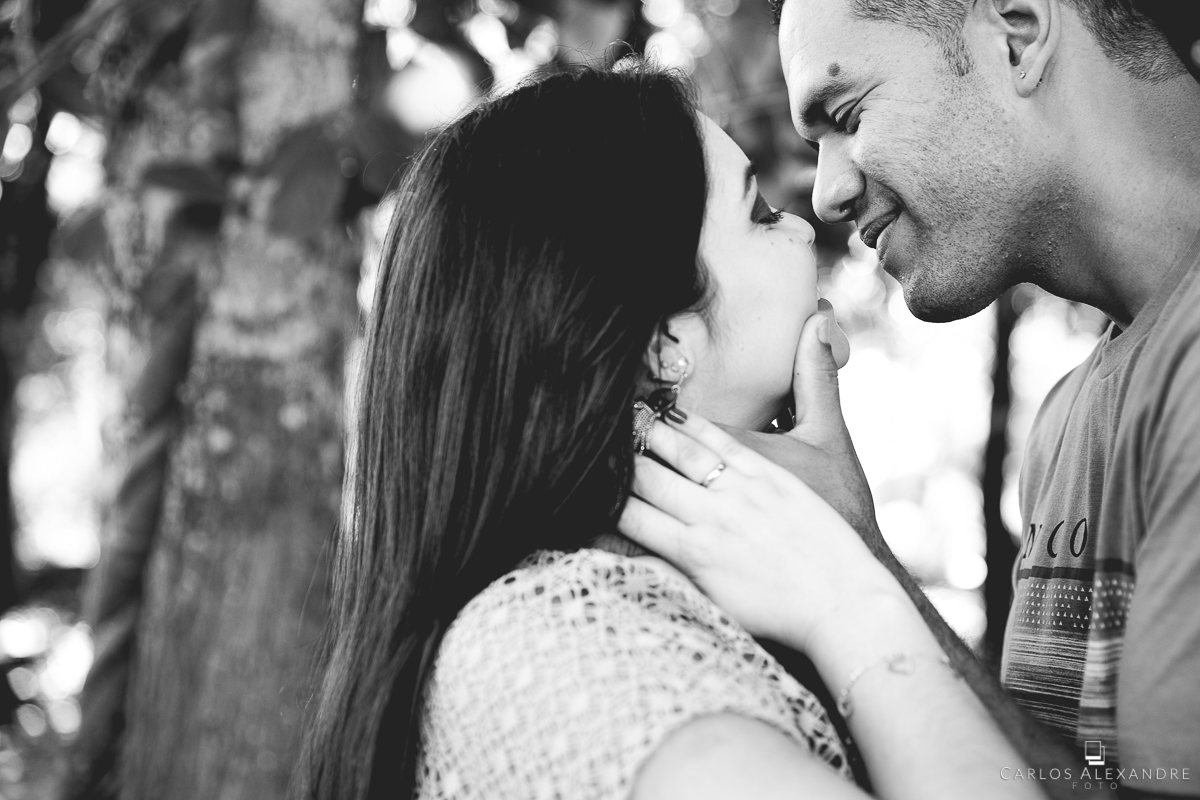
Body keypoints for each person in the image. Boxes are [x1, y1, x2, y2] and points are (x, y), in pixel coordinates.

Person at [293, 66, 1048, 800]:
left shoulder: (646, 619)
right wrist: (853, 603)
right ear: (663, 343)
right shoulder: (564, 650)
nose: (804, 222)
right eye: (757, 214)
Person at [623, 0, 1200, 796]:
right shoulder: (1069, 420)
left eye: (848, 113)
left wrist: (857, 567)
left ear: (1018, 36)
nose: (823, 195)